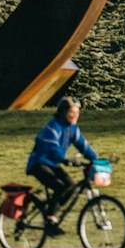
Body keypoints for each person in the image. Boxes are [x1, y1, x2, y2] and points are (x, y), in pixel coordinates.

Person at [25, 95, 98, 235]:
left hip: (52, 164)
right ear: (63, 112)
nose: (75, 115)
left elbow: (83, 145)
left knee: (71, 186)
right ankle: (50, 219)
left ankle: (51, 211)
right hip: (39, 163)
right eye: (72, 112)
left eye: (77, 113)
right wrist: (65, 160)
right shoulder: (53, 127)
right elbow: (53, 147)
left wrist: (96, 159)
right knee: (59, 187)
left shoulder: (73, 128)